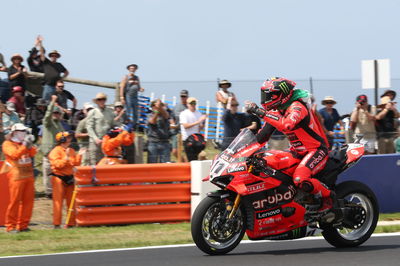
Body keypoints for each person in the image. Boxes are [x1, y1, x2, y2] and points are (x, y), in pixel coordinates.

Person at [247, 77, 334, 214]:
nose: (265, 99)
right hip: (297, 152)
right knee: (269, 164)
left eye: (269, 95)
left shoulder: (297, 107)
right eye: (265, 95)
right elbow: (262, 136)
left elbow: (287, 124)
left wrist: (260, 112)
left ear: (281, 94)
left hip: (316, 150)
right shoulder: (277, 111)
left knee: (300, 178)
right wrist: (244, 151)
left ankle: (328, 198)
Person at [2, 123, 36, 233]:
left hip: (28, 175)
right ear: (15, 132)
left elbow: (33, 153)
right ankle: (10, 226)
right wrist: (25, 145)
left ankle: (23, 225)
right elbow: (14, 155)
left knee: (28, 202)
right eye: (22, 131)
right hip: (16, 176)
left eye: (25, 131)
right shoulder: (7, 144)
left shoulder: (24, 143)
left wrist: (29, 145)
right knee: (15, 201)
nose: (24, 133)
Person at [48, 131, 84, 229]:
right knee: (58, 202)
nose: (70, 139)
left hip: (69, 178)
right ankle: (57, 224)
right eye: (68, 137)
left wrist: (80, 155)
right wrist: (66, 158)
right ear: (62, 139)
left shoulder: (71, 150)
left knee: (71, 202)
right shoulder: (55, 151)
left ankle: (71, 223)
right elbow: (58, 165)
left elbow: (76, 163)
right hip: (58, 178)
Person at [41, 95, 64, 198]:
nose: (56, 114)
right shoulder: (48, 122)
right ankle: (49, 193)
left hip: (57, 153)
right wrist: (52, 102)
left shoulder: (60, 124)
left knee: (57, 173)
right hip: (48, 152)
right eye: (54, 113)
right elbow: (47, 116)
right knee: (47, 172)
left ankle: (56, 190)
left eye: (57, 113)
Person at [86, 93, 119, 165]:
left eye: (103, 99)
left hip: (107, 142)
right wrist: (96, 139)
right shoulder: (92, 112)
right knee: (94, 165)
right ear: (97, 101)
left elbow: (114, 125)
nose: (101, 101)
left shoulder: (110, 112)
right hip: (95, 143)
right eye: (99, 99)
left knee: (106, 164)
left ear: (105, 100)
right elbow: (89, 127)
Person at [39, 36, 69, 101]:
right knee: (45, 102)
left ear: (57, 57)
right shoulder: (46, 62)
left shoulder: (59, 65)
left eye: (55, 55)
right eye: (52, 55)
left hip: (56, 87)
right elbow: (41, 53)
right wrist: (40, 43)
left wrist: (62, 78)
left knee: (54, 103)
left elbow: (66, 72)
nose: (54, 56)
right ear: (50, 56)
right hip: (48, 86)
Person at [179, 97, 207, 161]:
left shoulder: (198, 113)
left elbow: (199, 128)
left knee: (200, 158)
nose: (193, 105)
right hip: (188, 140)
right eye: (191, 103)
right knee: (192, 160)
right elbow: (185, 126)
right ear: (187, 104)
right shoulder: (184, 113)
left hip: (197, 139)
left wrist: (203, 123)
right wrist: (198, 122)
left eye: (194, 103)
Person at [119, 64, 144, 128]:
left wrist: (141, 89)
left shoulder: (137, 78)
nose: (132, 70)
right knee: (128, 111)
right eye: (131, 68)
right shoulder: (126, 77)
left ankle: (134, 125)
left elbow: (138, 88)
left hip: (135, 96)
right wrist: (122, 97)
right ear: (129, 69)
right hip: (128, 96)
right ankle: (126, 124)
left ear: (135, 70)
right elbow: (122, 87)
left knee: (136, 111)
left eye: (134, 68)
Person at [171, 90, 189, 162]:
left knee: (187, 152)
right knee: (175, 151)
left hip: (187, 132)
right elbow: (172, 117)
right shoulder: (176, 107)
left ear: (187, 97)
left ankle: (186, 162)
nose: (183, 98)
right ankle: (184, 162)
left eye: (184, 96)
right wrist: (172, 123)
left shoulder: (189, 107)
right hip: (177, 132)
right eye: (182, 96)